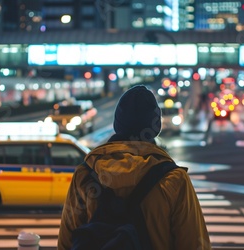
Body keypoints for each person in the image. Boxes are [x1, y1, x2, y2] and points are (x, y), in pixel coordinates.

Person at [57, 85, 210, 250]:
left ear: (117, 125)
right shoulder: (174, 180)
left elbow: (67, 242)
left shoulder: (85, 174)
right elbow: (194, 243)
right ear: (156, 128)